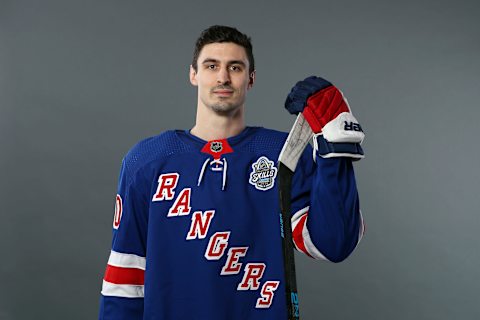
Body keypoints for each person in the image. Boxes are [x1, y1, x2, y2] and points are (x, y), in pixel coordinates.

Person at [98, 25, 365, 320]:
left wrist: (335, 150)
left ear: (250, 79)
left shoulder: (284, 155)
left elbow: (333, 244)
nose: (223, 77)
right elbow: (125, 276)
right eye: (211, 66)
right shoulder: (146, 160)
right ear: (193, 74)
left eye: (235, 67)